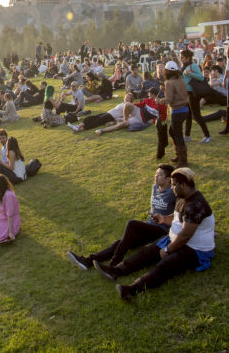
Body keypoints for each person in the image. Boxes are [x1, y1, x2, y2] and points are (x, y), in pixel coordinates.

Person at [85, 168, 214, 300]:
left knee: (166, 265)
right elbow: (177, 217)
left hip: (194, 249)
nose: (172, 187)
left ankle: (132, 290)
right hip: (175, 239)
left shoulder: (196, 204)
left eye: (174, 184)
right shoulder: (182, 198)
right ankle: (115, 271)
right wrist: (164, 219)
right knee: (147, 252)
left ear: (184, 185)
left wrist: (168, 249)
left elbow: (185, 235)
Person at [66, 164, 176, 271]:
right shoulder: (155, 187)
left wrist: (165, 218)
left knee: (132, 224)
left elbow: (179, 213)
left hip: (161, 230)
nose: (156, 176)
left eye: (160, 175)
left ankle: (114, 263)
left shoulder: (173, 193)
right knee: (121, 242)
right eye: (156, 174)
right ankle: (87, 261)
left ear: (168, 179)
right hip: (148, 225)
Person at [180, 49, 211, 144]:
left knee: (196, 115)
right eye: (180, 57)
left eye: (182, 58)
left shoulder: (192, 66)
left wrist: (190, 73)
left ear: (188, 58)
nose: (181, 59)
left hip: (193, 94)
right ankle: (187, 135)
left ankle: (207, 136)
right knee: (188, 115)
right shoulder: (184, 66)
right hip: (187, 93)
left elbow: (201, 77)